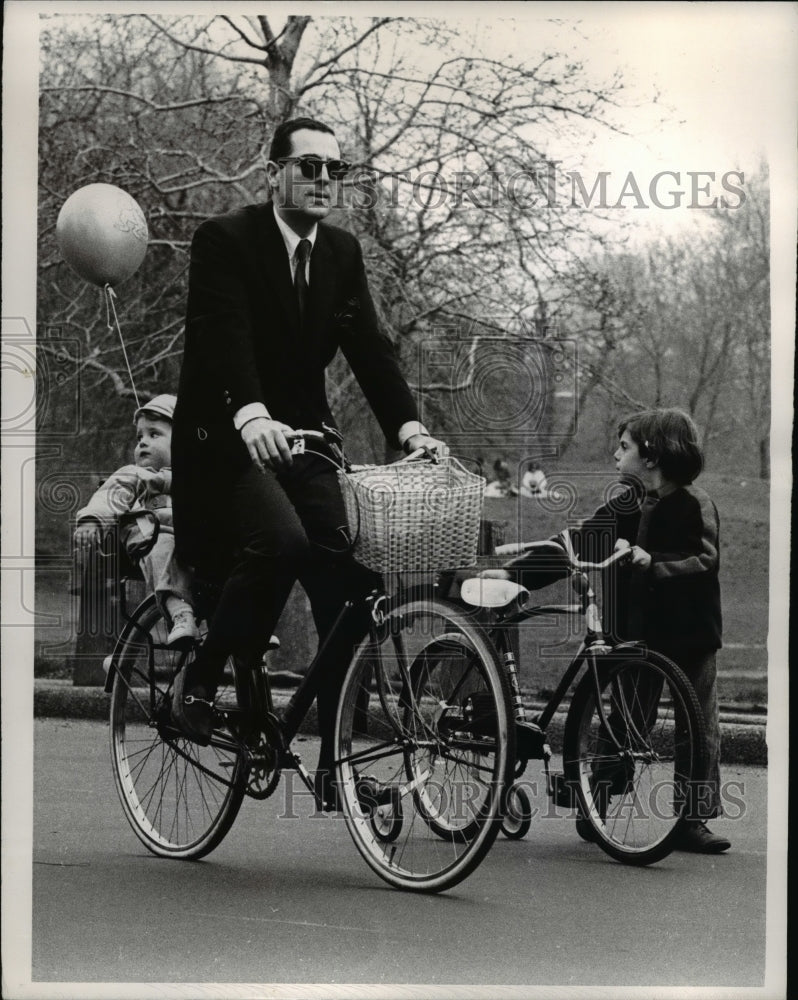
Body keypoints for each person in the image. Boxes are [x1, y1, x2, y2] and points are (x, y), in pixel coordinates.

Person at [171, 117, 446, 805]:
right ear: (274, 174)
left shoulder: (342, 254)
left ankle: (337, 769)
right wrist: (250, 413)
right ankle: (201, 680)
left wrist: (409, 428)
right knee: (282, 543)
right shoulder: (226, 240)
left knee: (350, 584)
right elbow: (221, 335)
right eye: (309, 166)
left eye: (334, 170)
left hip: (304, 440)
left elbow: (371, 351)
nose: (323, 179)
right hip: (224, 442)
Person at [501, 408, 730, 853]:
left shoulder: (694, 503)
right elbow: (578, 543)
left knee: (699, 727)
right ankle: (596, 803)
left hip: (689, 636)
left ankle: (692, 818)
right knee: (622, 721)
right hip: (633, 635)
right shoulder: (624, 503)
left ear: (652, 455)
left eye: (624, 446)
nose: (615, 453)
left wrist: (654, 562)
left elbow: (704, 558)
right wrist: (513, 576)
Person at [74, 393, 199, 647]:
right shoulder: (135, 475)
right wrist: (92, 520)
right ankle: (180, 613)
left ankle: (239, 623)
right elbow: (111, 494)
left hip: (193, 540)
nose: (142, 443)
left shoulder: (197, 478)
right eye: (139, 437)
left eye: (154, 435)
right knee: (164, 546)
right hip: (151, 536)